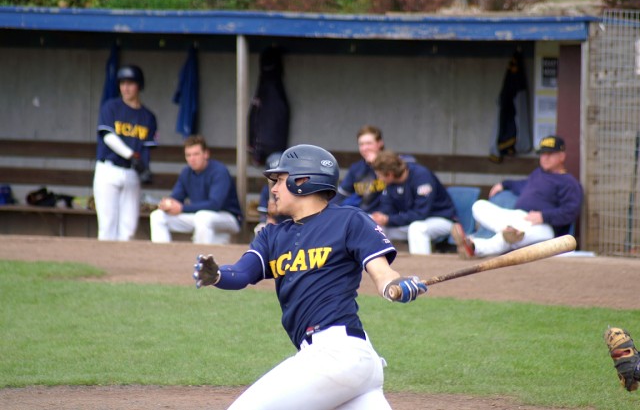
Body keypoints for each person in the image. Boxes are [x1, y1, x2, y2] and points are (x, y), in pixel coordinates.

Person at [192, 144, 427, 409]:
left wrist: (394, 284)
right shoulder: (271, 236)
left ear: (303, 181)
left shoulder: (349, 220)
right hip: (345, 364)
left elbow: (382, 273)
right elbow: (242, 273)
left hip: (337, 354)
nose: (273, 189)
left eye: (280, 180)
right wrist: (218, 275)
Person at [451, 135, 583, 259]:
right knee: (479, 206)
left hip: (543, 227)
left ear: (562, 156)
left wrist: (543, 216)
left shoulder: (569, 182)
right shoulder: (538, 173)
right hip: (518, 217)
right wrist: (504, 184)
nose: (545, 157)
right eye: (543, 154)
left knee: (515, 236)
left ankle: (475, 247)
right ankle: (508, 231)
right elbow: (522, 185)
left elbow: (570, 211)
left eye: (550, 154)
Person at [93, 65, 157, 241]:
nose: (126, 88)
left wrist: (145, 168)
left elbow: (146, 148)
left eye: (130, 83)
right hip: (108, 170)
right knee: (107, 227)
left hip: (132, 173)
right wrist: (131, 155)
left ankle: (123, 260)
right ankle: (105, 259)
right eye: (122, 83)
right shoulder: (111, 107)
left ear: (139, 86)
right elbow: (108, 137)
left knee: (128, 229)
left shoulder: (148, 116)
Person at [149, 135, 242, 244]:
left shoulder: (219, 171)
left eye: (196, 154)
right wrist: (168, 204)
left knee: (202, 217)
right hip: (199, 216)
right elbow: (177, 197)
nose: (192, 159)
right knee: (157, 216)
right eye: (188, 155)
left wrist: (182, 208)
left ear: (206, 154)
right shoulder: (186, 172)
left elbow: (215, 204)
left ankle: (199, 254)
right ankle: (163, 253)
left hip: (228, 218)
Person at [370, 150, 458, 255]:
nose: (378, 178)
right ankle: (381, 264)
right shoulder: (390, 183)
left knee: (417, 229)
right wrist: (381, 217)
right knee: (377, 228)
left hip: (441, 219)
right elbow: (387, 208)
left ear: (390, 174)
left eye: (379, 175)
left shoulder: (421, 176)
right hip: (411, 221)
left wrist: (389, 219)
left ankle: (421, 264)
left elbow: (420, 214)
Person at [331, 125, 387, 213]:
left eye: (369, 143)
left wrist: (377, 164)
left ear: (380, 143)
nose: (365, 148)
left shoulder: (393, 163)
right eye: (361, 144)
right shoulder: (357, 168)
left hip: (389, 217)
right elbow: (341, 195)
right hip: (365, 215)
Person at [253, 151, 288, 236]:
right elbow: (263, 217)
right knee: (260, 229)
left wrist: (279, 210)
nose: (275, 188)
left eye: (281, 178)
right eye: (274, 178)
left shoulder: (292, 188)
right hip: (275, 225)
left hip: (291, 225)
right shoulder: (267, 190)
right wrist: (270, 216)